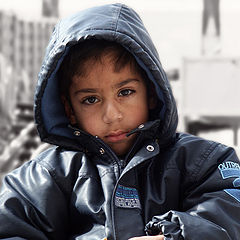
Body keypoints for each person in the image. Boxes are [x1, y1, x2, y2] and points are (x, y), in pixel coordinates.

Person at [0, 3, 239, 240]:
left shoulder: (204, 162)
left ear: (152, 93)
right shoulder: (48, 175)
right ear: (69, 110)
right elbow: (10, 227)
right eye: (91, 99)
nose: (111, 115)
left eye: (125, 92)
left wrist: (175, 235)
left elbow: (229, 213)